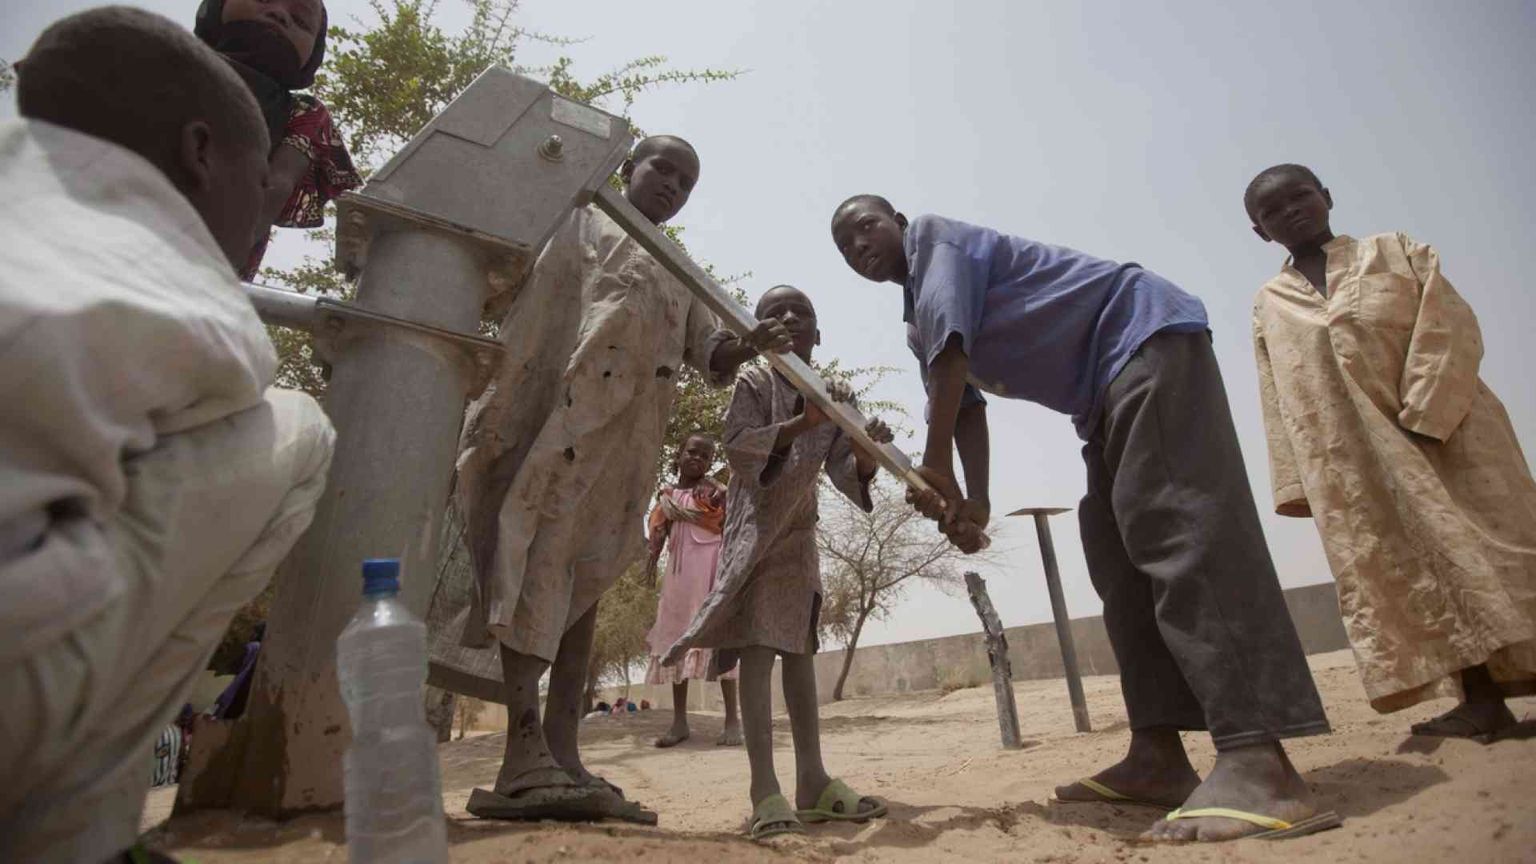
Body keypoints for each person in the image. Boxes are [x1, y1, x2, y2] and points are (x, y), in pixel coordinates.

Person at [829, 196, 1339, 842]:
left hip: (1143, 338)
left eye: (866, 227)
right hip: (1102, 395)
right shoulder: (916, 324)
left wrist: (935, 470)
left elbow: (952, 359)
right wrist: (972, 499)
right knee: (1116, 555)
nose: (859, 246)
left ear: (899, 221)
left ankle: (1258, 760)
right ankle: (1157, 755)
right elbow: (962, 407)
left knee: (1178, 530)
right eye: (845, 247)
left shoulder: (935, 242)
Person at [0, 8, 335, 863]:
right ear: (200, 153)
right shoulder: (161, 273)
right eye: (258, 180)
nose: (262, 216)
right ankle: (75, 834)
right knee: (292, 429)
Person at [429, 134, 792, 823]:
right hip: (552, 433)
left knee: (585, 586)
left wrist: (750, 344)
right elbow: (505, 286)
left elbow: (708, 354)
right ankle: (521, 754)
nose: (672, 187)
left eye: (686, 182)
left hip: (624, 451)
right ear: (629, 167)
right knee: (534, 574)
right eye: (663, 169)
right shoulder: (574, 216)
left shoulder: (680, 268)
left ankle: (563, 755)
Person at [1245, 163, 1536, 740]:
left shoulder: (1396, 251)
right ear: (1261, 233)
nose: (1291, 212)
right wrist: (1299, 483)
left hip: (1454, 438)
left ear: (1326, 196)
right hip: (1358, 467)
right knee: (1419, 574)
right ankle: (1480, 701)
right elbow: (1278, 392)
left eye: (1300, 196)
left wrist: (1426, 416)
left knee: (1502, 552)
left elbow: (1448, 327)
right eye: (1271, 212)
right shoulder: (1269, 303)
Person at [665, 285, 894, 841]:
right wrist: (801, 423)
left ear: (820, 334)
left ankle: (813, 782)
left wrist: (867, 448)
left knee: (799, 648)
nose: (790, 318)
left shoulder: (836, 395)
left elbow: (847, 467)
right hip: (755, 528)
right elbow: (741, 450)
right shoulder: (753, 381)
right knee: (760, 649)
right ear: (761, 331)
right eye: (775, 312)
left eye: (803, 312)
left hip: (798, 530)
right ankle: (764, 789)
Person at [194, 0, 361, 279]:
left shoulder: (305, 114)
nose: (279, 14)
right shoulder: (161, 61)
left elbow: (273, 190)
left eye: (302, 22)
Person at [644, 433, 743, 748]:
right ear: (678, 454)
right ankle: (679, 722)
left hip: (711, 570)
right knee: (677, 639)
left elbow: (731, 521)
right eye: (692, 452)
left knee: (720, 638)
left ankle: (732, 722)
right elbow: (658, 530)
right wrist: (651, 557)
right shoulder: (668, 496)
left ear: (711, 462)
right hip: (678, 576)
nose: (697, 459)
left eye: (704, 456)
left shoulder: (714, 493)